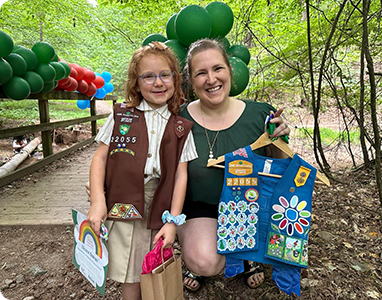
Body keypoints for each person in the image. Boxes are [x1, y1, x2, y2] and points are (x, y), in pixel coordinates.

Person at [175, 38, 291, 292]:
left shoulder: (261, 114)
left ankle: (246, 253)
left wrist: (279, 140)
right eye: (201, 73)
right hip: (201, 208)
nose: (211, 79)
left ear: (229, 70)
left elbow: (283, 170)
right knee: (204, 261)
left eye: (218, 68)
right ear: (191, 81)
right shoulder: (179, 119)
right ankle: (214, 247)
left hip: (249, 205)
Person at [86, 42, 198, 300]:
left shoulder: (181, 127)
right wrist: (97, 201)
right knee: (131, 272)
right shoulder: (121, 117)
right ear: (136, 83)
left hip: (161, 204)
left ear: (175, 79)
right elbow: (100, 159)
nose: (158, 82)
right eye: (148, 76)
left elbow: (181, 175)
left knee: (156, 268)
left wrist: (173, 222)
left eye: (165, 74)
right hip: (125, 201)